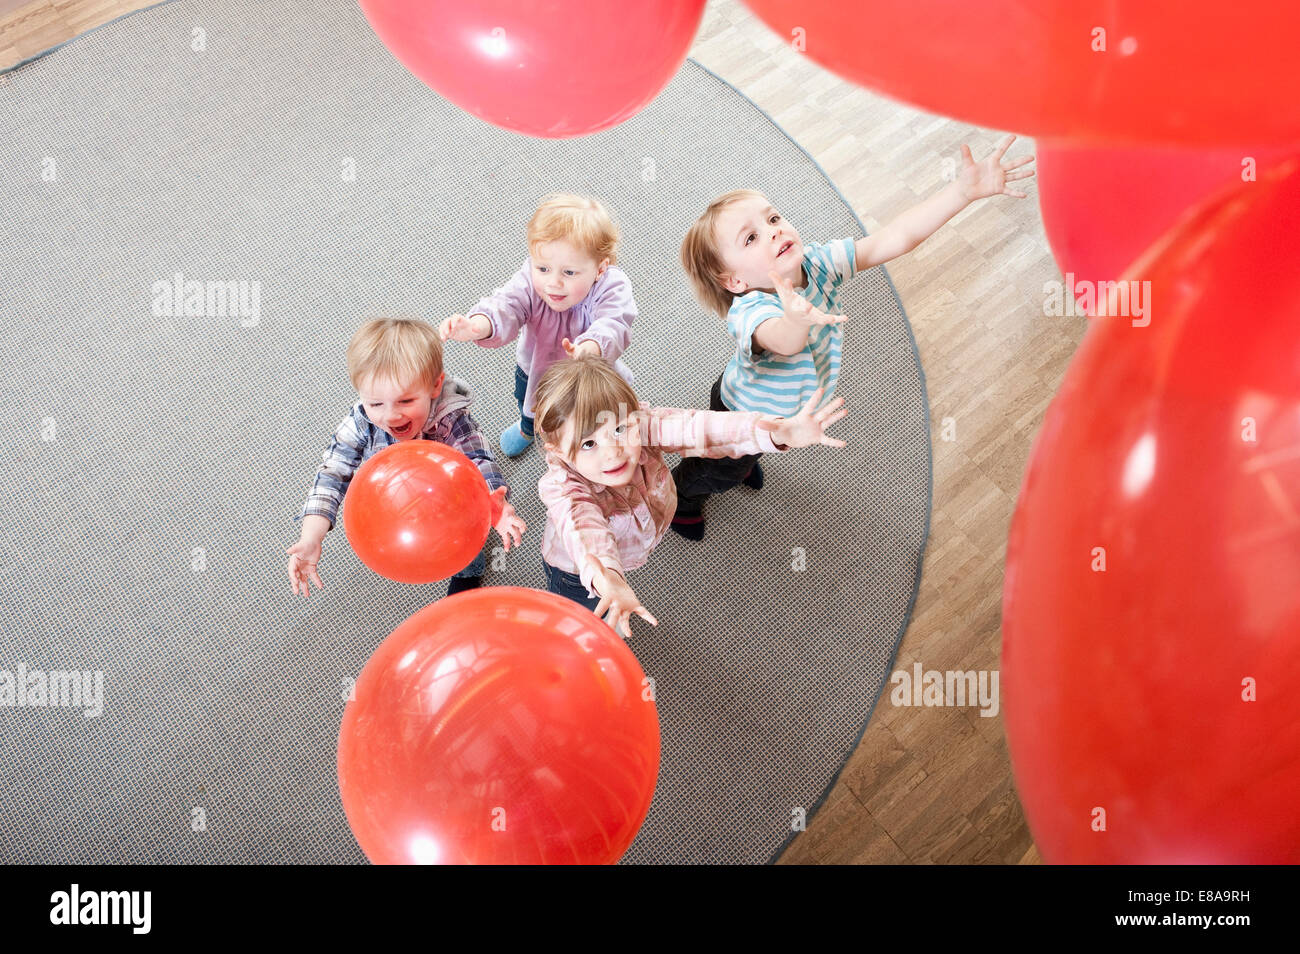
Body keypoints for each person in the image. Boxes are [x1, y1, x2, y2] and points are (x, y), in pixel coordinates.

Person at [674, 134, 1035, 538]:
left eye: (773, 219)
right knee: (717, 468)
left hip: (781, 416)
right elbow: (784, 340)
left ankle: (745, 461)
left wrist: (963, 192)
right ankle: (682, 498)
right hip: (741, 413)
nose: (774, 231)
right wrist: (796, 318)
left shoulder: (818, 263)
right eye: (751, 237)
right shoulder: (750, 310)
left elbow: (894, 239)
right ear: (735, 281)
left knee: (747, 457)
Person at [532, 355, 849, 637]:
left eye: (619, 430)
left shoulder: (642, 426)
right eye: (588, 444)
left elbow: (702, 429)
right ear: (558, 450)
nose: (614, 452)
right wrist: (607, 576)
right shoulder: (565, 489)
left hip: (636, 535)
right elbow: (584, 532)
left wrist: (773, 433)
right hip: (578, 573)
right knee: (589, 619)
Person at [286, 317, 525, 598]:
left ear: (435, 387)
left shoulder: (450, 418)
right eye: (376, 403)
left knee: (460, 539)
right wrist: (311, 537)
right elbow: (332, 474)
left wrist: (494, 505)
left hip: (449, 497)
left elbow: (478, 459)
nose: (391, 415)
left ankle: (469, 570)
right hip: (394, 500)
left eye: (406, 401)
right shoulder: (361, 421)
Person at [439, 193, 637, 457]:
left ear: (600, 269)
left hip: (589, 375)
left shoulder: (612, 285)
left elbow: (615, 322)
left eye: (568, 273)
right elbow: (508, 304)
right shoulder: (531, 281)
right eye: (543, 268)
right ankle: (527, 429)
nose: (553, 283)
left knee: (593, 418)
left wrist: (590, 347)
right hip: (535, 369)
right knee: (528, 403)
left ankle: (589, 446)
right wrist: (478, 324)